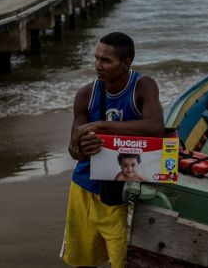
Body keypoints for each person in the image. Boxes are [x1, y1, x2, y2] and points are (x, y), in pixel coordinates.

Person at [60, 32, 164, 268]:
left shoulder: (143, 86)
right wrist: (82, 149)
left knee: (123, 261)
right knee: (83, 259)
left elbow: (155, 127)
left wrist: (101, 125)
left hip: (122, 193)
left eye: (106, 61)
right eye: (96, 58)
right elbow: (73, 150)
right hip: (84, 189)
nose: (98, 65)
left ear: (126, 63)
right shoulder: (86, 94)